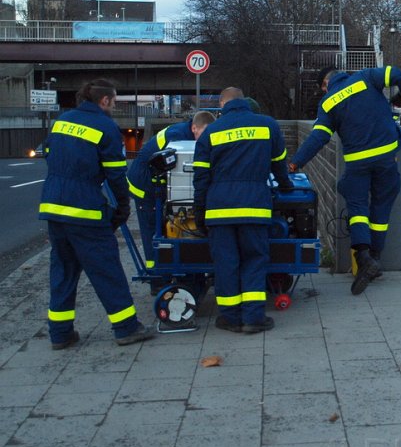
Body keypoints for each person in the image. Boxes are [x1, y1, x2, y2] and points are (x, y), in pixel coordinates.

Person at [39, 79, 153, 349]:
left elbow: (47, 152)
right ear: (105, 101)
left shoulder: (62, 120)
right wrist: (122, 207)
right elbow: (116, 173)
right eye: (114, 101)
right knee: (106, 270)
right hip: (85, 210)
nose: (114, 106)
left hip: (53, 207)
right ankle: (126, 328)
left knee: (63, 271)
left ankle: (60, 333)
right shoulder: (105, 127)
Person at [290, 65, 401, 295]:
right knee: (381, 211)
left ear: (325, 85)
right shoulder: (366, 77)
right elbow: (400, 76)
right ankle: (374, 259)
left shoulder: (327, 103)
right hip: (387, 156)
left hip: (357, 163)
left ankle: (364, 257)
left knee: (357, 208)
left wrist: (295, 163)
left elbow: (318, 137)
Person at [193, 87, 293, 333]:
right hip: (254, 206)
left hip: (219, 209)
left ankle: (229, 317)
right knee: (254, 259)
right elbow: (280, 163)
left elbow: (201, 177)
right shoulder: (267, 125)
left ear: (222, 103)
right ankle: (253, 318)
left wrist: (200, 211)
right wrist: (286, 187)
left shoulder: (210, 132)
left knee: (226, 263)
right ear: (245, 100)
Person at [127, 111, 216, 295]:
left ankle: (170, 273)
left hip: (157, 184)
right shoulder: (178, 136)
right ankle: (158, 279)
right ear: (194, 128)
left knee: (167, 227)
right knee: (153, 231)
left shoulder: (187, 133)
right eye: (202, 134)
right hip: (145, 187)